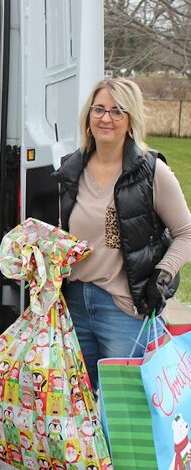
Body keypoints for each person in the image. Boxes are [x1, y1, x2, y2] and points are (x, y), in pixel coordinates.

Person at [55, 78, 191, 391]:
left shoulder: (151, 172)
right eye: (99, 109)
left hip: (124, 308)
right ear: (88, 117)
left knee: (126, 409)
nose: (106, 118)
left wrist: (163, 275)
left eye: (118, 111)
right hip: (74, 303)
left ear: (131, 120)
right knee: (78, 408)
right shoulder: (70, 170)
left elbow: (186, 233)